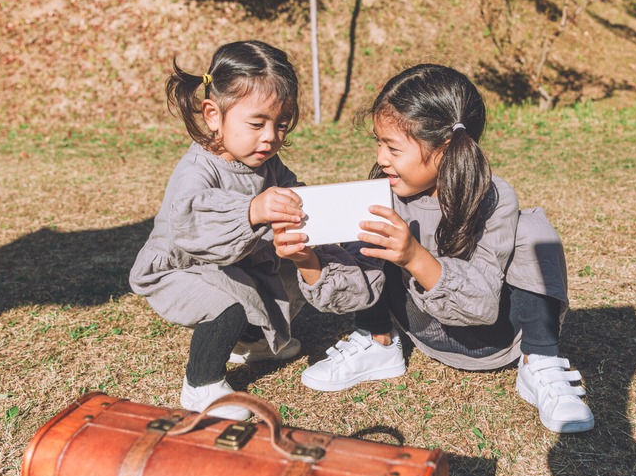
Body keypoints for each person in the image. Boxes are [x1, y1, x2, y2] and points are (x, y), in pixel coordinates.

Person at [274, 63, 593, 433]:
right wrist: (306, 259)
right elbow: (355, 292)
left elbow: (482, 307)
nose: (381, 157)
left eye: (392, 146)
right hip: (422, 332)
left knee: (535, 228)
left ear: (444, 149)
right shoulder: (385, 193)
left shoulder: (494, 197)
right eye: (378, 142)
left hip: (496, 339)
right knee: (378, 224)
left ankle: (540, 360)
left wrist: (413, 256)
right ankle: (378, 342)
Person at [129, 40, 307, 420]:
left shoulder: (266, 163)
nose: (270, 137)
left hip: (236, 263)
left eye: (281, 125)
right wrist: (252, 209)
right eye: (257, 123)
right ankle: (202, 383)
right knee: (227, 304)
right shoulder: (199, 170)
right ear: (214, 115)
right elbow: (192, 221)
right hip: (181, 267)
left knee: (286, 276)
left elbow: (291, 190)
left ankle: (254, 341)